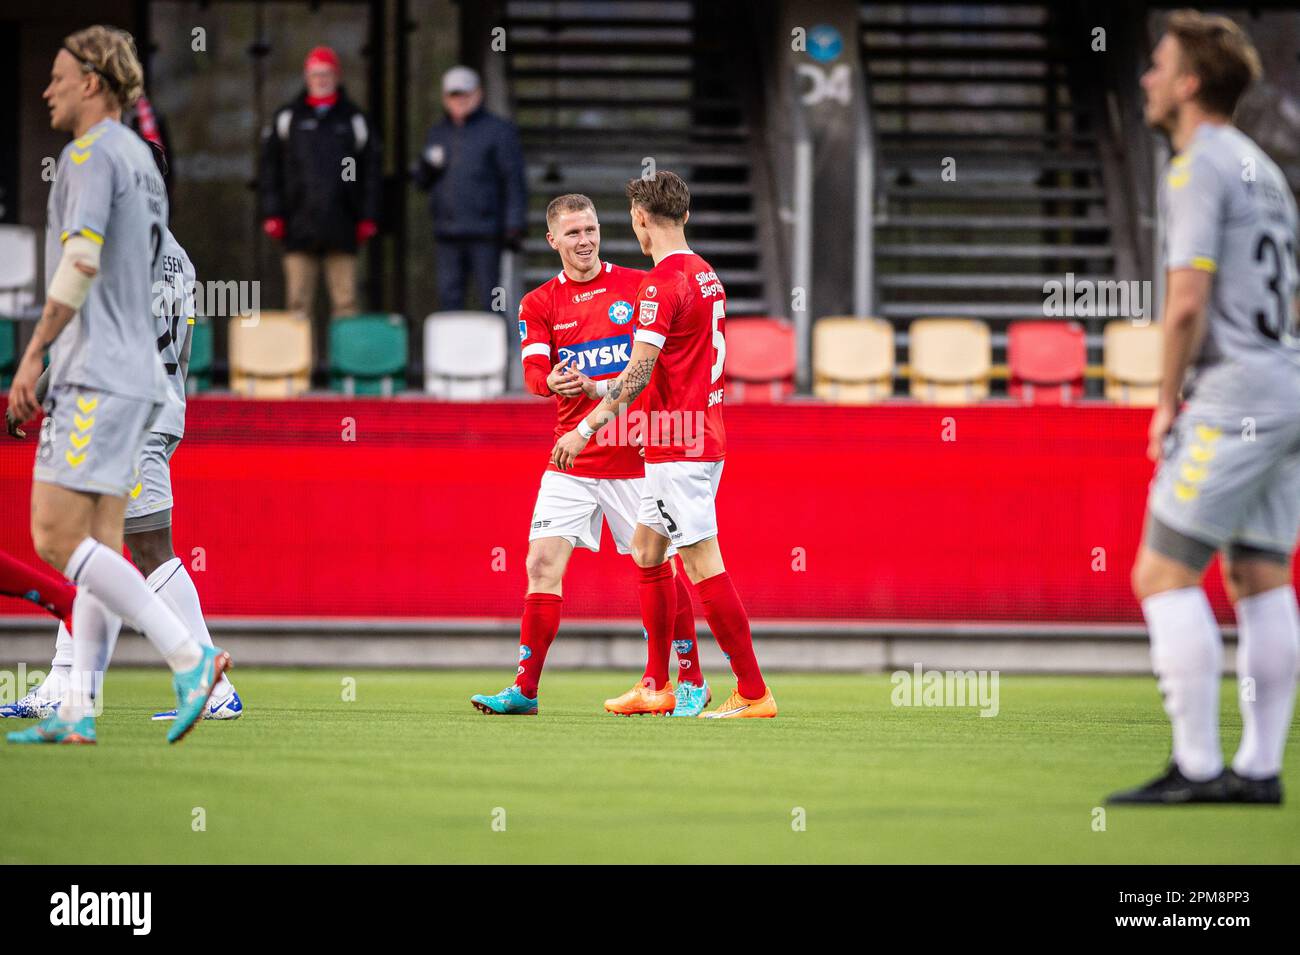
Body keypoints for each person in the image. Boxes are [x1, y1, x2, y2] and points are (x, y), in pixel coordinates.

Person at [5, 25, 228, 746]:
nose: (48, 89)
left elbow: (79, 265)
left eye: (60, 76)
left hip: (103, 386)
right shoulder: (174, 248)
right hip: (151, 392)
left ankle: (195, 662)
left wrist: (34, 354)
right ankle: (75, 702)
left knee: (58, 534)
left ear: (93, 83)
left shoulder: (93, 154)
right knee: (107, 544)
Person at [1108, 11, 1299, 804]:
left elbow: (1185, 302)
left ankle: (1195, 765)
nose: (1147, 79)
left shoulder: (1196, 166)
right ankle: (1258, 770)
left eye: (1158, 66)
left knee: (1160, 571)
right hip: (1284, 382)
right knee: (1260, 574)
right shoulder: (1264, 165)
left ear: (1189, 84)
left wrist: (1164, 402)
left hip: (1233, 393)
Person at [469, 194, 709, 717]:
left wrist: (602, 392)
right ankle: (525, 691)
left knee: (661, 567)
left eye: (592, 230)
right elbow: (534, 372)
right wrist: (549, 381)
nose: (586, 241)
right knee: (540, 563)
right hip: (571, 456)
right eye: (573, 233)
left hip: (632, 453)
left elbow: (653, 371)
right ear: (552, 240)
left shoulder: (637, 286)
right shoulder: (538, 304)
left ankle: (690, 678)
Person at [551, 172, 776, 719]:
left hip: (682, 444)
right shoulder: (705, 274)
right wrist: (601, 386)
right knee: (649, 552)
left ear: (639, 220)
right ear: (686, 215)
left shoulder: (661, 282)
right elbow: (660, 369)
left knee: (702, 565)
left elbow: (640, 372)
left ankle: (752, 692)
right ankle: (656, 683)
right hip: (687, 436)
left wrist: (585, 427)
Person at [2, 228, 244, 722]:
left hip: (127, 419)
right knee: (91, 547)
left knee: (151, 546)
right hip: (156, 408)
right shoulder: (178, 256)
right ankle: (64, 681)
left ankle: (213, 685)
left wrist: (35, 390)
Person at [259, 45, 380, 364]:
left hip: (343, 225)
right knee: (298, 303)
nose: (321, 79)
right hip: (298, 226)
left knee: (346, 301)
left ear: (336, 77)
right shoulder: (288, 118)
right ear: (307, 77)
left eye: (326, 74)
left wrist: (367, 216)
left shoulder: (354, 119)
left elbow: (371, 173)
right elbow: (269, 170)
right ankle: (300, 372)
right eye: (315, 74)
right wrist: (273, 212)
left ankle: (347, 371)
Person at [414, 66, 526, 311]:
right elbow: (421, 182)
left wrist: (514, 225)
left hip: (486, 232)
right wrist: (426, 166)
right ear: (445, 98)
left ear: (478, 94)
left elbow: (514, 180)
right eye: (454, 95)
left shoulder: (499, 131)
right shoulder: (438, 132)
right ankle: (450, 350)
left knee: (492, 300)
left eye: (465, 93)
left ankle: (499, 349)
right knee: (449, 299)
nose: (460, 100)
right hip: (447, 232)